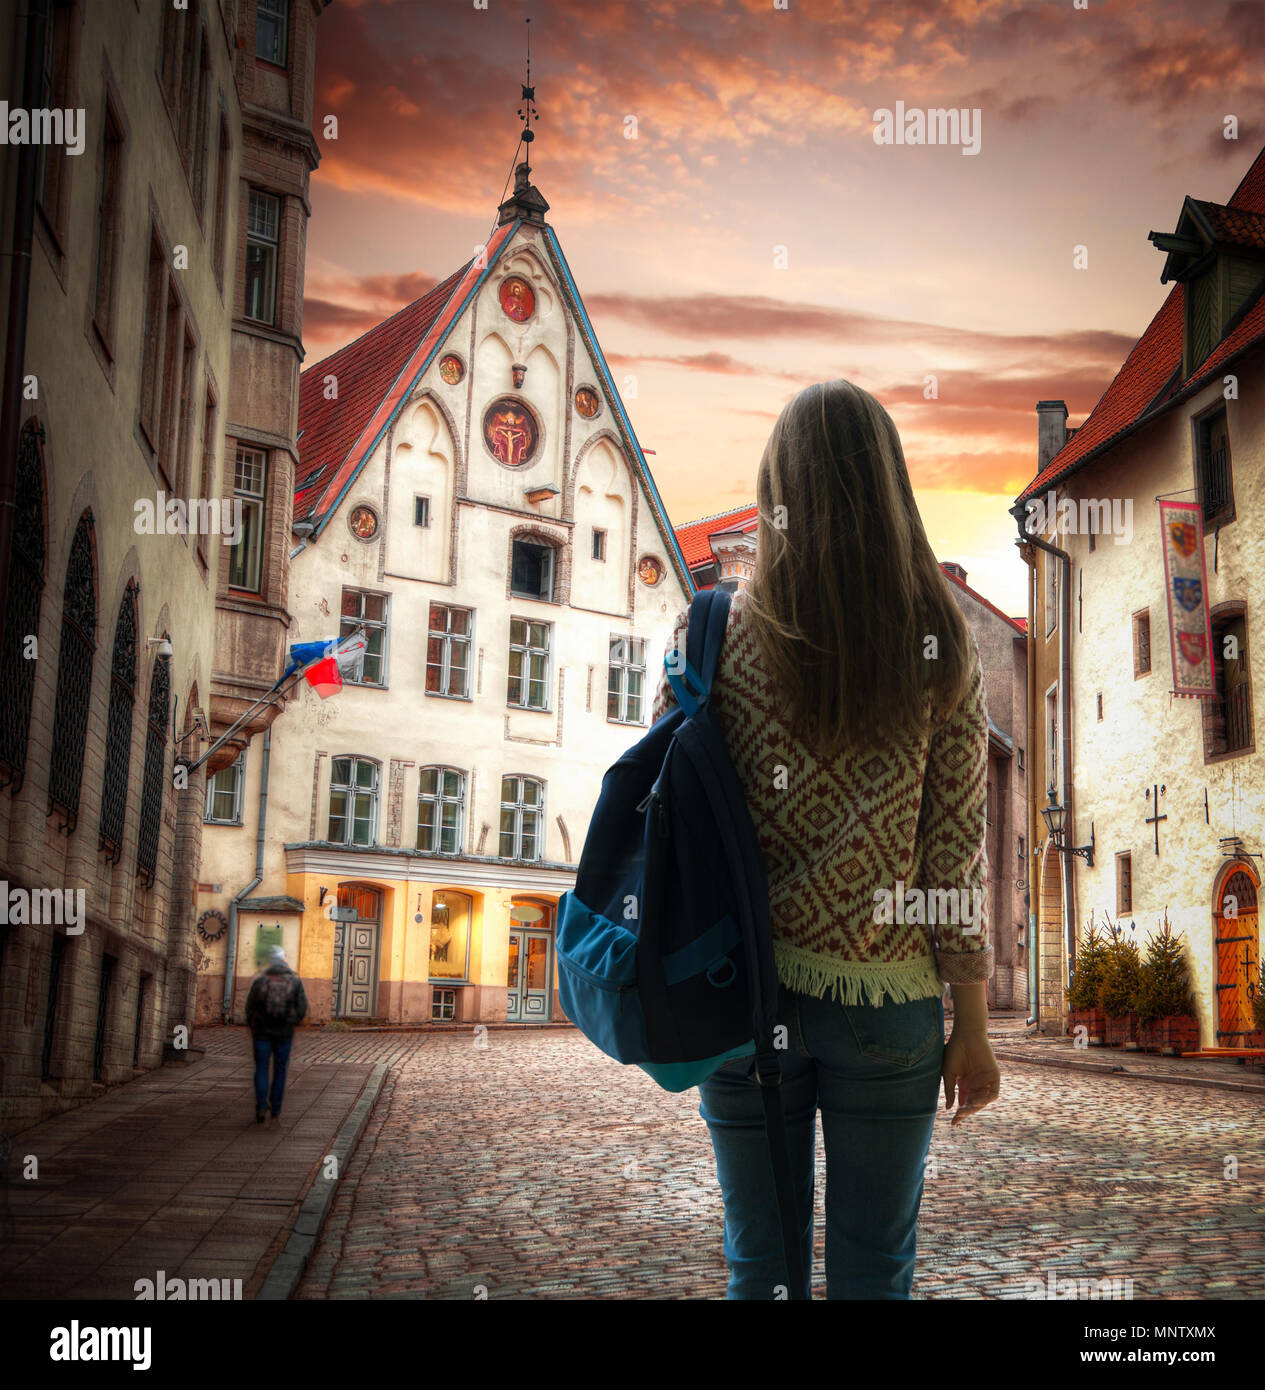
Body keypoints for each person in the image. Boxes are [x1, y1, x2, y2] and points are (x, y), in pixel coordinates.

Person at [649, 380, 1001, 1300]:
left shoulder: (711, 629)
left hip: (739, 992)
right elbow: (952, 852)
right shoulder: (939, 642)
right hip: (886, 1001)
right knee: (873, 1268)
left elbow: (665, 805)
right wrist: (972, 1025)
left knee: (759, 1267)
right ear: (890, 486)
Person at [244, 945, 308, 1123]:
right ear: (283, 960)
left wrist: (252, 1025)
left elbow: (250, 1006)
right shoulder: (294, 981)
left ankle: (261, 1107)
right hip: (284, 1032)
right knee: (280, 1070)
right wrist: (293, 1022)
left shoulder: (261, 980)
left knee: (261, 1068)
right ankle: (276, 1108)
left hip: (262, 1032)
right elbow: (302, 1007)